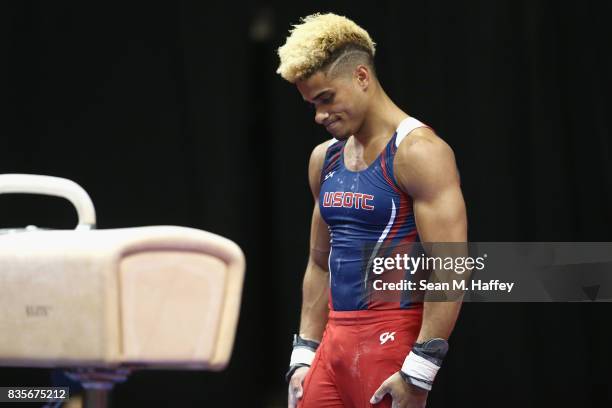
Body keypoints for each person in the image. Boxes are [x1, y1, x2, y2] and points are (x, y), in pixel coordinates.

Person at [277, 13, 467, 408]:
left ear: (362, 76)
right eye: (311, 104)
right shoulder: (324, 159)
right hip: (333, 344)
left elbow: (450, 265)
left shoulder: (419, 153)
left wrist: (420, 369)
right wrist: (304, 352)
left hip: (389, 342)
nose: (319, 116)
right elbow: (319, 263)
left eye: (327, 99)